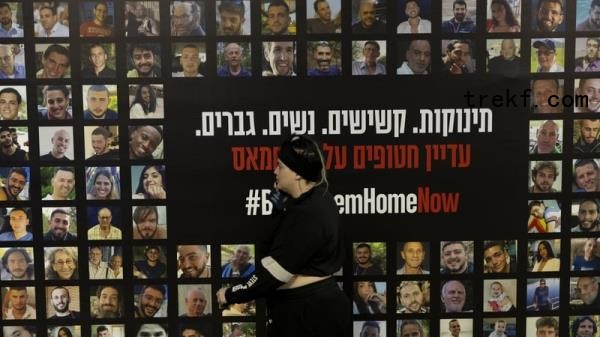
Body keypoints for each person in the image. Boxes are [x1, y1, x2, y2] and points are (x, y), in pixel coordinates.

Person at [216, 135, 350, 337]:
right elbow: (268, 252)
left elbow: (273, 273)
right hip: (301, 310)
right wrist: (279, 210)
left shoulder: (309, 212)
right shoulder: (311, 200)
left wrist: (230, 293)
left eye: (280, 166)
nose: (275, 171)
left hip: (311, 314)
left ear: (297, 173)